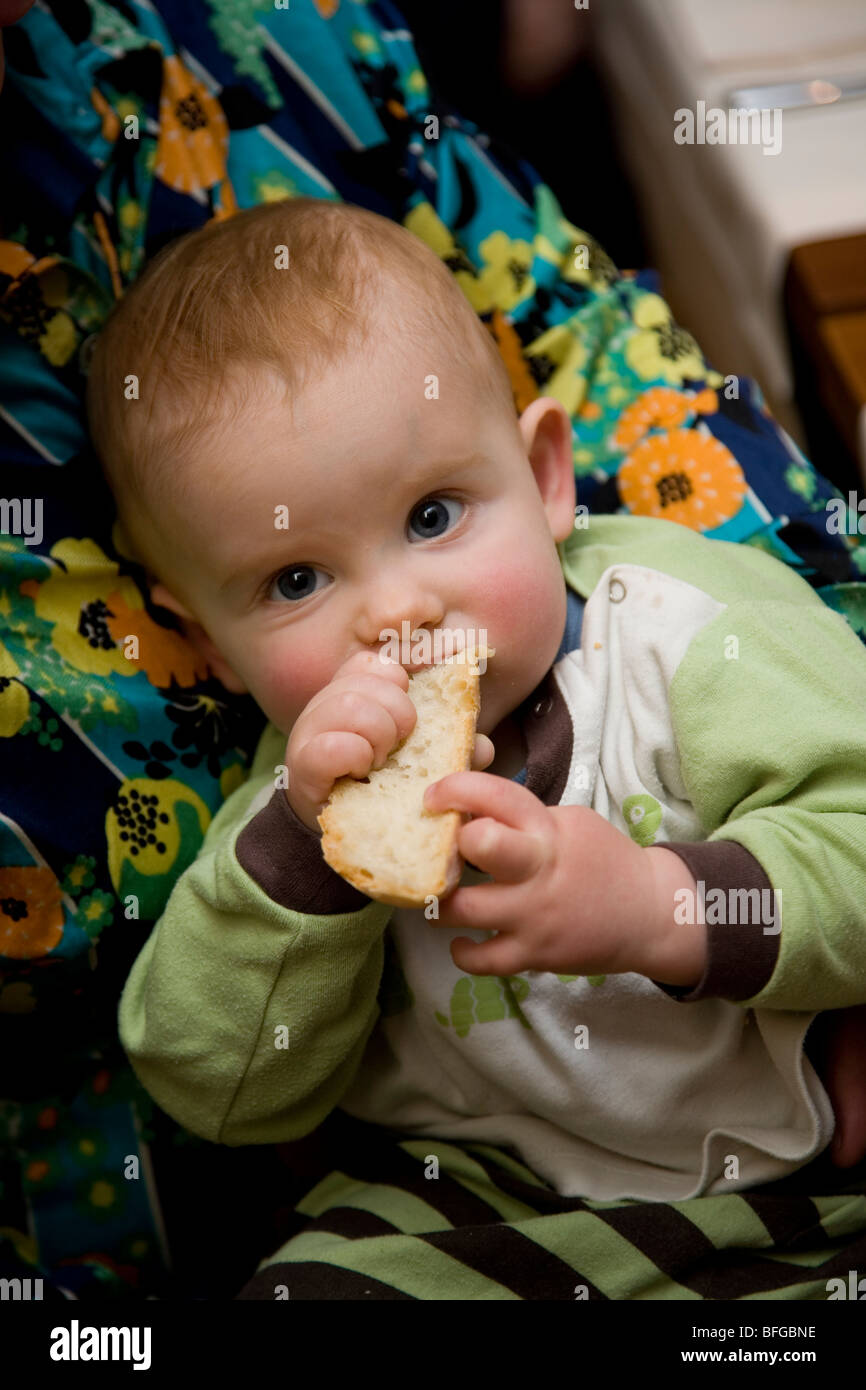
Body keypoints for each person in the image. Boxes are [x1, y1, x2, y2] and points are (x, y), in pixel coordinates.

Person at [87, 197, 866, 1253]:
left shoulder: (684, 633)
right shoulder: (293, 808)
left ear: (544, 478)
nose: (397, 611)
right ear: (214, 647)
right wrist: (306, 861)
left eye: (431, 516)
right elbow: (216, 1093)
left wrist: (657, 903)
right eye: (296, 578)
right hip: (480, 1200)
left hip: (795, 1153)